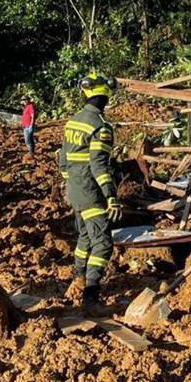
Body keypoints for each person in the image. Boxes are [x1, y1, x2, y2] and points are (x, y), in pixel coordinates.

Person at [57, 73, 122, 307]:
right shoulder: (101, 127)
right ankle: (91, 295)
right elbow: (99, 165)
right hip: (90, 191)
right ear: (106, 98)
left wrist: (72, 184)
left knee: (85, 236)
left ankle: (78, 278)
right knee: (103, 242)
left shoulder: (74, 121)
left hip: (73, 189)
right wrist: (110, 196)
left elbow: (63, 161)